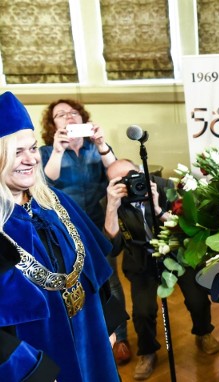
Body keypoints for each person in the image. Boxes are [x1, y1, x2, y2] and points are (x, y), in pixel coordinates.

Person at [0, 91, 120, 381]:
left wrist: (109, 323)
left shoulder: (55, 202)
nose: (31, 160)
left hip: (90, 338)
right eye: (18, 152)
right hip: (38, 358)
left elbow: (92, 268)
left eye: (33, 148)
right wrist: (34, 371)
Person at [103, 159, 219, 380]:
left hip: (177, 253)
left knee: (198, 300)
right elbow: (113, 247)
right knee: (142, 311)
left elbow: (187, 228)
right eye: (119, 181)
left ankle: (204, 332)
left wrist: (157, 208)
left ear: (140, 171)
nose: (128, 184)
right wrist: (111, 207)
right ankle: (147, 352)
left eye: (131, 176)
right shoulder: (110, 203)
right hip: (141, 262)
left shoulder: (165, 187)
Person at [39, 98, 131, 364]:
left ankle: (120, 337)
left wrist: (102, 145)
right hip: (64, 229)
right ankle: (88, 336)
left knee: (109, 278)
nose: (68, 117)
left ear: (83, 119)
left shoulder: (96, 149)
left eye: (73, 112)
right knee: (74, 281)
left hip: (99, 225)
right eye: (60, 115)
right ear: (52, 124)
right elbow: (46, 182)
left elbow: (117, 173)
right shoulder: (46, 152)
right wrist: (57, 150)